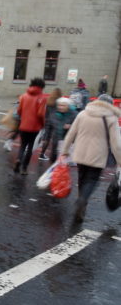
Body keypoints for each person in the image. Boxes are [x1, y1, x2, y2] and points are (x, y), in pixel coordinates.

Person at [61, 94, 121, 223]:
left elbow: (71, 133)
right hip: (98, 156)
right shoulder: (112, 118)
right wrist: (120, 161)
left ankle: (81, 203)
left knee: (82, 178)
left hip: (80, 153)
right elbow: (116, 144)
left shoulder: (83, 113)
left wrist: (65, 151)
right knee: (92, 180)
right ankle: (82, 200)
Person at [14, 78, 47, 175]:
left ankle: (18, 160)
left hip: (23, 125)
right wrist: (42, 124)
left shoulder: (24, 96)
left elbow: (19, 110)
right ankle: (24, 168)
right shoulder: (42, 98)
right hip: (34, 127)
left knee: (22, 145)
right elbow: (41, 114)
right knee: (30, 146)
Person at [45, 97, 76, 163]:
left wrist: (71, 126)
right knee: (53, 159)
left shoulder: (74, 114)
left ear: (68, 106)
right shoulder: (53, 113)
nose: (60, 107)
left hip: (67, 141)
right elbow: (48, 126)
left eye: (63, 105)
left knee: (64, 161)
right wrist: (46, 137)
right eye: (59, 105)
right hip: (56, 140)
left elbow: (79, 127)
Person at [39, 88, 63, 160]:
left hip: (48, 120)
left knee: (47, 138)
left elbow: (46, 112)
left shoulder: (48, 100)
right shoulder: (59, 102)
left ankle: (42, 154)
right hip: (56, 121)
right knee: (55, 139)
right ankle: (54, 156)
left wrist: (45, 119)